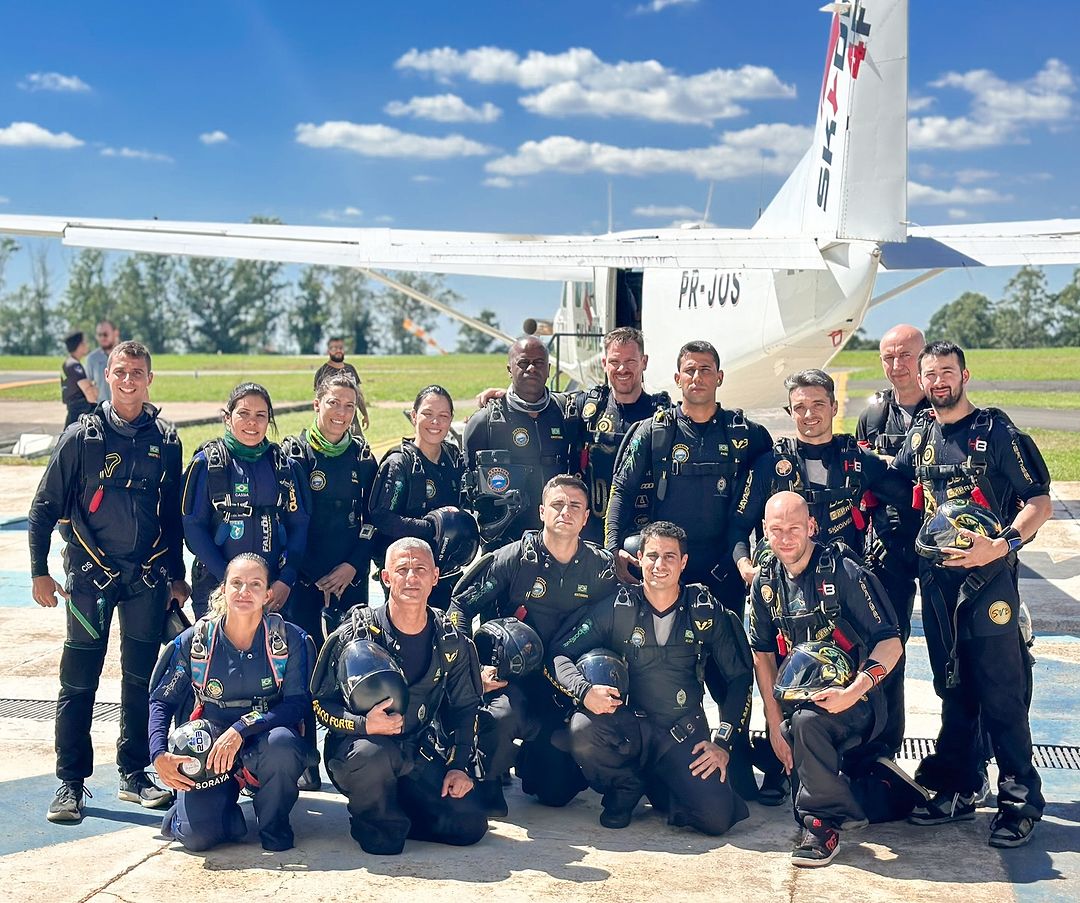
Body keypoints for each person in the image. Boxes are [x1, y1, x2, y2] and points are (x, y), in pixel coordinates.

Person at [891, 340, 1051, 848]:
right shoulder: (921, 433)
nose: (938, 381)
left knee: (1002, 693)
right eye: (930, 374)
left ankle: (1019, 801)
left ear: (965, 375)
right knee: (953, 687)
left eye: (947, 371)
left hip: (989, 584)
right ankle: (959, 786)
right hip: (939, 586)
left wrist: (1001, 545)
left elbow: (1039, 502)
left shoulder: (997, 432)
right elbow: (893, 479)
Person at [604, 339, 771, 801]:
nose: (697, 378)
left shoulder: (748, 435)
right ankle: (648, 766)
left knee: (729, 672)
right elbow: (621, 491)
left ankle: (734, 757)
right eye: (689, 370)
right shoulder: (652, 432)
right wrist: (613, 549)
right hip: (663, 576)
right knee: (656, 673)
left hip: (721, 576)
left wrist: (760, 556)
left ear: (720, 377)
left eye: (706, 369)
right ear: (677, 378)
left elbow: (767, 492)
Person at [29, 340, 188, 823]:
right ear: (107, 376)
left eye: (137, 373)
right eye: (120, 371)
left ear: (149, 379)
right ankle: (70, 783)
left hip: (146, 580)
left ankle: (134, 773)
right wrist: (39, 571)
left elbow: (172, 516)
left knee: (141, 679)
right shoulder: (81, 437)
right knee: (78, 682)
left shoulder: (167, 440)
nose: (128, 380)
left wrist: (177, 576)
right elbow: (43, 508)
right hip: (89, 580)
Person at [731, 369, 913, 769]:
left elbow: (910, 496)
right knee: (786, 672)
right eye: (800, 407)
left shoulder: (859, 461)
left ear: (834, 407)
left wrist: (891, 548)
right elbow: (738, 526)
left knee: (877, 662)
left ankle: (876, 758)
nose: (809, 414)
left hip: (845, 593)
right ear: (789, 412)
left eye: (818, 405)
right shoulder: (769, 465)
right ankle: (786, 752)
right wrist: (745, 564)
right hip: (788, 591)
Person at [551, 521, 752, 835]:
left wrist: (723, 743)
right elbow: (559, 653)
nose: (660, 565)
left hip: (683, 733)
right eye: (653, 556)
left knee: (716, 818)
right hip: (630, 727)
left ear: (683, 562)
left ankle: (660, 784)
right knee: (583, 729)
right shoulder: (618, 607)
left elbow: (739, 677)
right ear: (639, 559)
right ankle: (626, 785)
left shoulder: (703, 609)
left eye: (670, 556)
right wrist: (584, 691)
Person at [749, 492, 903, 867]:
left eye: (794, 528)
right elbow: (763, 654)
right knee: (794, 730)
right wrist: (773, 723)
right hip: (798, 700)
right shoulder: (765, 580)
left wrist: (852, 692)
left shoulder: (843, 572)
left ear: (812, 526)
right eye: (776, 529)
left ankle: (821, 828)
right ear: (765, 531)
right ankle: (881, 793)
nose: (785, 538)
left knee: (805, 727)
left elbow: (891, 643)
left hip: (858, 700)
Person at [449, 475, 618, 815]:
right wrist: (472, 668)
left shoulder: (600, 567)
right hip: (511, 681)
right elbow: (460, 606)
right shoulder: (514, 559)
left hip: (564, 683)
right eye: (557, 504)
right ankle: (487, 777)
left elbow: (614, 626)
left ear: (586, 517)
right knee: (501, 716)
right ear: (542, 512)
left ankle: (527, 758)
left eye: (575, 506)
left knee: (556, 793)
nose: (565, 512)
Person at [311, 538, 488, 855]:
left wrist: (458, 766)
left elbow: (465, 708)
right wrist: (363, 724)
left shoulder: (451, 640)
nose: (411, 577)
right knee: (383, 840)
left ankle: (396, 807)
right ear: (386, 577)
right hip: (362, 750)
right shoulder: (355, 633)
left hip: (415, 750)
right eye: (402, 569)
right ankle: (375, 819)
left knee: (469, 825)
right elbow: (319, 704)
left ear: (435, 576)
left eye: (420, 569)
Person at [149, 553, 315, 852]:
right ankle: (213, 814)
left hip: (266, 736)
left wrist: (241, 729)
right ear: (223, 589)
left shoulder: (289, 639)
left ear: (268, 594)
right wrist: (159, 754)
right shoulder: (196, 641)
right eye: (236, 583)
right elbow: (161, 701)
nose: (244, 591)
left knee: (282, 744)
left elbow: (297, 705)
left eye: (255, 584)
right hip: (210, 746)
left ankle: (274, 824)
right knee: (197, 838)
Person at [475, 327, 670, 545]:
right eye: (615, 361)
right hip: (591, 532)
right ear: (604, 363)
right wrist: (507, 397)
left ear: (644, 362)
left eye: (630, 361)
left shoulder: (661, 416)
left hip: (645, 531)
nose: (622, 369)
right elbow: (539, 400)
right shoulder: (587, 406)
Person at [281, 371, 378, 789]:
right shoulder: (294, 456)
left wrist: (352, 567)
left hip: (349, 579)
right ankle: (306, 756)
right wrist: (316, 575)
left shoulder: (363, 457)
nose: (341, 413)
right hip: (305, 581)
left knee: (352, 665)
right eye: (333, 403)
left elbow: (373, 522)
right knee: (303, 667)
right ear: (316, 404)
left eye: (349, 406)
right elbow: (289, 523)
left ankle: (347, 748)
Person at [182, 382, 311, 620]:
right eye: (243, 413)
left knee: (272, 644)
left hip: (273, 589)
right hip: (217, 586)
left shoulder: (285, 467)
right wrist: (229, 581)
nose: (252, 422)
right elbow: (192, 526)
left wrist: (286, 579)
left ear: (269, 420)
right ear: (227, 418)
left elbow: (299, 524)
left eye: (260, 415)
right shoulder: (207, 465)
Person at [461, 337, 573, 551]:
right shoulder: (485, 421)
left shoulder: (565, 414)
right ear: (509, 369)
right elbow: (467, 488)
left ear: (549, 369)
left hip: (557, 537)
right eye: (523, 363)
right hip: (503, 540)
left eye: (539, 363)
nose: (531, 368)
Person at [369, 385, 468, 608]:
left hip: (445, 572)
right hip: (407, 574)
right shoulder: (399, 464)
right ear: (414, 416)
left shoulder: (453, 459)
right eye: (427, 414)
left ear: (451, 419)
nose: (435, 422)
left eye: (443, 416)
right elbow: (382, 517)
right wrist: (431, 529)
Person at [313, 336, 370, 432]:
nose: (338, 351)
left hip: (352, 421)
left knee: (359, 442)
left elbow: (358, 394)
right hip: (333, 422)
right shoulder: (322, 372)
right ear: (328, 351)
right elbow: (320, 400)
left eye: (341, 348)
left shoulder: (350, 369)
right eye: (334, 348)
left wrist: (365, 414)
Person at [60, 330, 98, 427]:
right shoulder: (75, 366)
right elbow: (91, 396)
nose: (87, 345)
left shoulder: (68, 363)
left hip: (73, 412)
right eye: (85, 342)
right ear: (79, 345)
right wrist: (93, 387)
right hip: (80, 414)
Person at [85, 319, 120, 404]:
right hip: (102, 409)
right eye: (99, 335)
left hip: (127, 409)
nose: (102, 338)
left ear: (116, 333)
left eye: (105, 334)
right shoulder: (92, 359)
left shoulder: (130, 355)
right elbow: (87, 387)